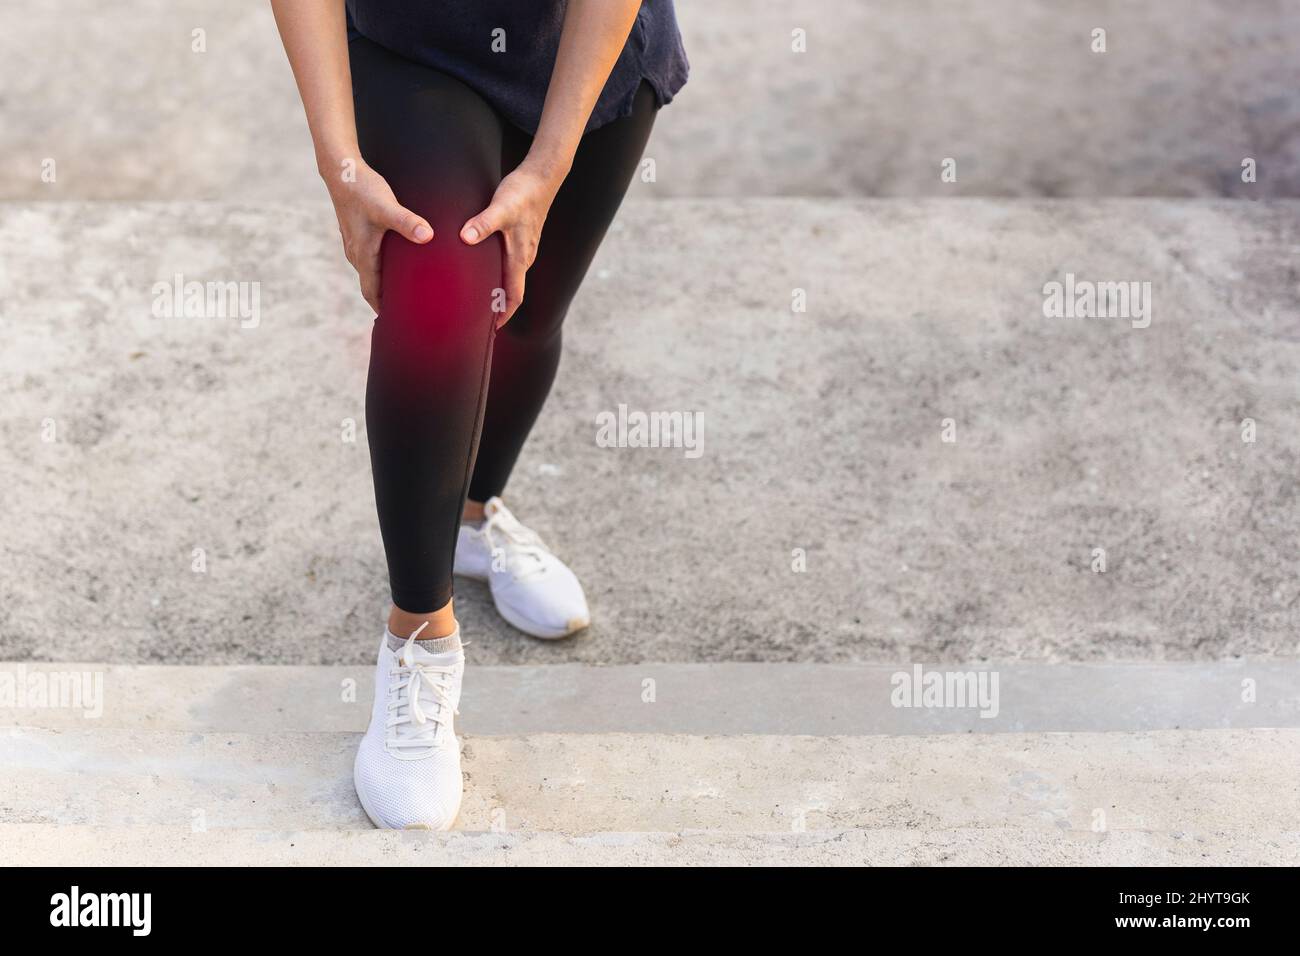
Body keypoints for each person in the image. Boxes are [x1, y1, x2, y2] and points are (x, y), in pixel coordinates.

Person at [270, 0, 688, 829]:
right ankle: (419, 638)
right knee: (437, 312)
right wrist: (338, 158)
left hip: (585, 42)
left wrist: (550, 162)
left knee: (527, 311)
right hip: (417, 44)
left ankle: (471, 520)